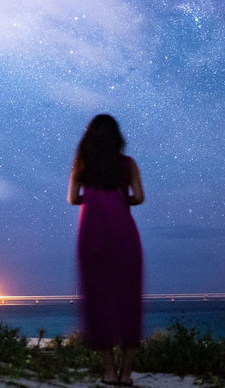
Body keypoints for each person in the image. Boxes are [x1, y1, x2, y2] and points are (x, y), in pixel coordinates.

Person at [67, 114, 145, 386]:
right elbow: (140, 197)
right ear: (116, 137)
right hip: (124, 235)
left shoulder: (83, 164)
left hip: (91, 236)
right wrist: (119, 197)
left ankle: (109, 373)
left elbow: (73, 198)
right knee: (128, 302)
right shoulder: (128, 164)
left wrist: (94, 197)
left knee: (99, 301)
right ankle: (126, 375)